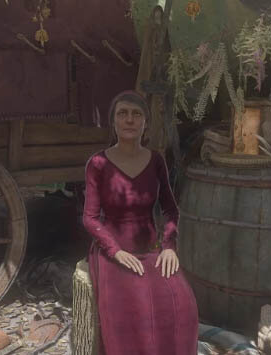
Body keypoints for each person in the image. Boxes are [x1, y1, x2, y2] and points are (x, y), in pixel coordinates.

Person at [82, 90, 198, 355]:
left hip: (151, 249)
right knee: (134, 309)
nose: (129, 120)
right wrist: (115, 251)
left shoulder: (156, 160)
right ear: (113, 121)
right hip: (113, 253)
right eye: (122, 113)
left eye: (136, 114)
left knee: (183, 304)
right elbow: (90, 218)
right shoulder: (98, 163)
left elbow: (170, 210)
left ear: (146, 122)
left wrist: (169, 247)